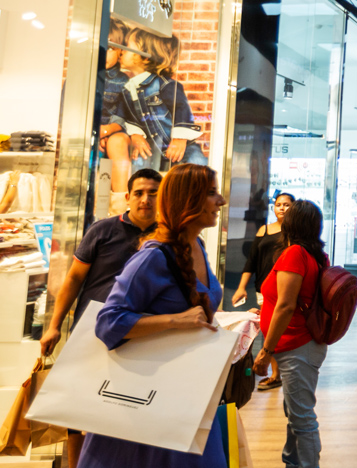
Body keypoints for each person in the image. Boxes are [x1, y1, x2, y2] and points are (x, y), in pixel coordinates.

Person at [87, 164, 226, 468]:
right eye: (212, 193)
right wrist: (175, 321)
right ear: (189, 200)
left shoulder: (197, 247)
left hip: (188, 393)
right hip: (149, 402)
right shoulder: (152, 256)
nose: (221, 201)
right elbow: (108, 322)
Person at [40, 169, 161, 468]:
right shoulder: (103, 230)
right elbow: (74, 279)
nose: (145, 199)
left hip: (139, 335)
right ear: (127, 197)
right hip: (90, 332)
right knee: (76, 410)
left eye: (153, 193)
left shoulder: (167, 236)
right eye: (139, 193)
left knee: (121, 410)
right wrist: (54, 326)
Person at [251, 200, 330, 468]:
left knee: (302, 417)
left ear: (291, 224)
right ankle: (293, 463)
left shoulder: (294, 254)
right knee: (295, 412)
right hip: (301, 345)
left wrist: (266, 351)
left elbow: (286, 305)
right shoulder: (315, 254)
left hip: (296, 345)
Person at [118, 29, 207, 173]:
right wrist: (135, 134)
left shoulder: (165, 85)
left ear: (145, 57)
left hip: (178, 146)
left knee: (196, 166)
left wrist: (179, 138)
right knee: (140, 165)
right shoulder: (128, 89)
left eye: (128, 46)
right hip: (152, 147)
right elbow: (128, 117)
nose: (122, 51)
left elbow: (181, 109)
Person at [233, 192, 295, 391]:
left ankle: (277, 374)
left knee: (275, 329)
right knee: (269, 329)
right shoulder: (264, 230)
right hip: (263, 289)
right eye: (278, 204)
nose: (282, 208)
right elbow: (252, 261)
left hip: (284, 288)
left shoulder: (295, 233)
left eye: (286, 205)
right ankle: (275, 373)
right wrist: (242, 287)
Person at [99, 18, 135, 216]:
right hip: (91, 132)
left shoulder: (123, 82)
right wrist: (96, 134)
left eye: (111, 48)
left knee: (118, 141)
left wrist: (105, 131)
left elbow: (123, 116)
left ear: (120, 51)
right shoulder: (82, 77)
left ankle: (120, 207)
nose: (105, 52)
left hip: (114, 131)